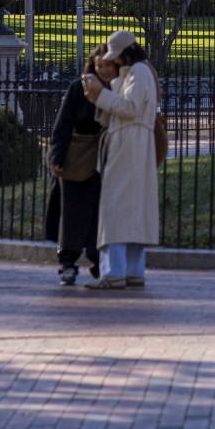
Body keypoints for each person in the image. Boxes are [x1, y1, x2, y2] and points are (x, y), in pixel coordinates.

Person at [83, 30, 160, 290]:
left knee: (115, 208)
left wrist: (101, 95)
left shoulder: (139, 72)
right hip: (130, 143)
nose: (113, 64)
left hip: (130, 143)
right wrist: (101, 94)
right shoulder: (135, 73)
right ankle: (132, 269)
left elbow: (130, 108)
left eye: (115, 59)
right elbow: (118, 111)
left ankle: (115, 271)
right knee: (131, 208)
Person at [46, 48, 111, 286]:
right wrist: (57, 156)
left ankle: (97, 258)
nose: (103, 70)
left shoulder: (117, 88)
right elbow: (63, 123)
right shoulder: (78, 88)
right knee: (71, 212)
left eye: (107, 65)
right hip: (78, 156)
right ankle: (68, 262)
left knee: (99, 213)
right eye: (99, 65)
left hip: (106, 158)